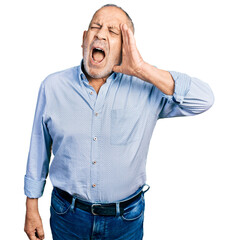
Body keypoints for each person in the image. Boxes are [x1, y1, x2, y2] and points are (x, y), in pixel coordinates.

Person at [24, 4, 214, 240]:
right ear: (84, 39)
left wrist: (142, 69)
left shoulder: (148, 89)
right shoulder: (52, 86)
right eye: (95, 26)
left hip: (125, 221)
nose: (101, 34)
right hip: (67, 217)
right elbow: (39, 147)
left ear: (125, 48)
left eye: (113, 32)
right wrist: (31, 207)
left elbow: (203, 99)